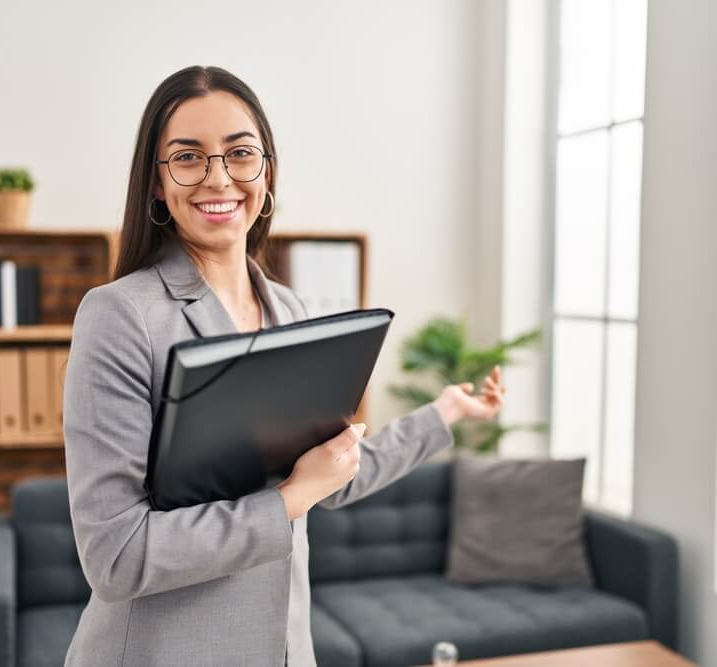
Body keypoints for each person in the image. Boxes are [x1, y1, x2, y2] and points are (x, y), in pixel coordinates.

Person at [62, 65, 507, 667]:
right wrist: (289, 499)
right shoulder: (120, 316)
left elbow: (330, 475)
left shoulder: (290, 310)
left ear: (266, 171)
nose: (218, 178)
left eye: (240, 154)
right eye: (188, 157)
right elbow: (118, 556)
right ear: (156, 184)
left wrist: (447, 411)